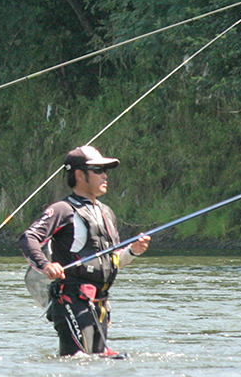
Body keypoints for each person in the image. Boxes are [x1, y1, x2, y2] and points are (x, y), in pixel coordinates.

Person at [20, 145, 150, 356]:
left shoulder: (106, 212)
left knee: (99, 363)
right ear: (80, 175)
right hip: (71, 299)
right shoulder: (62, 210)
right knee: (79, 362)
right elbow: (29, 238)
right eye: (98, 170)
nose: (104, 176)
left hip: (100, 304)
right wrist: (45, 265)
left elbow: (113, 260)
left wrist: (133, 251)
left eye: (105, 170)